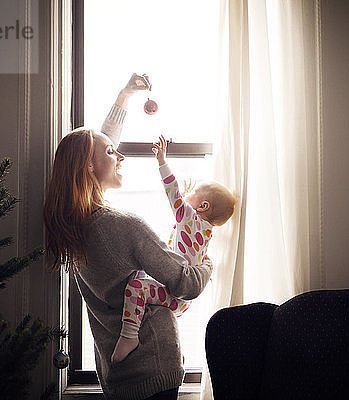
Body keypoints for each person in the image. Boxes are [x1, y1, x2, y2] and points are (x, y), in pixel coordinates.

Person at [43, 73, 213, 400]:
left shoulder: (73, 226)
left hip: (117, 376)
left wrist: (124, 96)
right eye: (112, 153)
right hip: (154, 369)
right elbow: (187, 284)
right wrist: (208, 263)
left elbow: (97, 145)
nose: (119, 156)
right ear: (89, 169)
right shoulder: (123, 226)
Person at [111, 135, 235, 363]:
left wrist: (162, 161)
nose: (188, 194)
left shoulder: (190, 218)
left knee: (136, 286)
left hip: (175, 294)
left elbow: (173, 193)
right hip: (181, 301)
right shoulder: (206, 231)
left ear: (203, 206)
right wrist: (192, 199)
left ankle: (129, 336)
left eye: (194, 191)